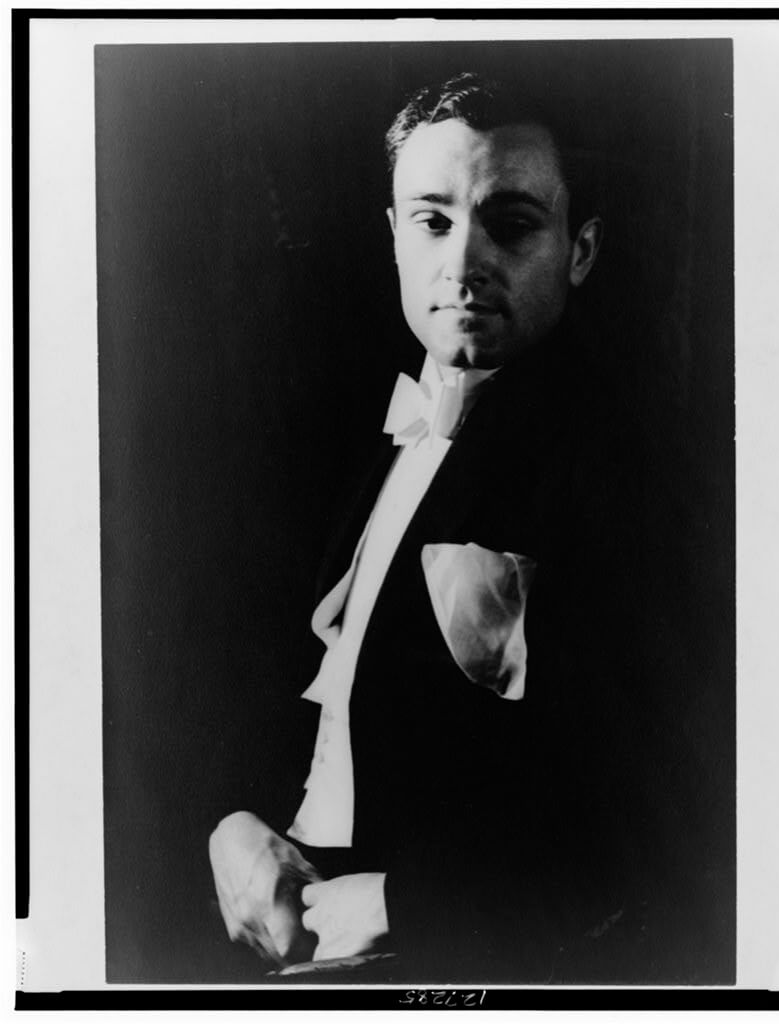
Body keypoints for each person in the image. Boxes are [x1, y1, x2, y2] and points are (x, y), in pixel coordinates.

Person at [209, 72, 732, 984]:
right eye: (434, 221)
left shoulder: (630, 474)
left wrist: (391, 909)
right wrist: (230, 831)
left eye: (514, 224)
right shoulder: (365, 439)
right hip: (285, 929)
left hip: (447, 964)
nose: (462, 266)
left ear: (581, 249)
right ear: (393, 238)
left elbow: (662, 828)